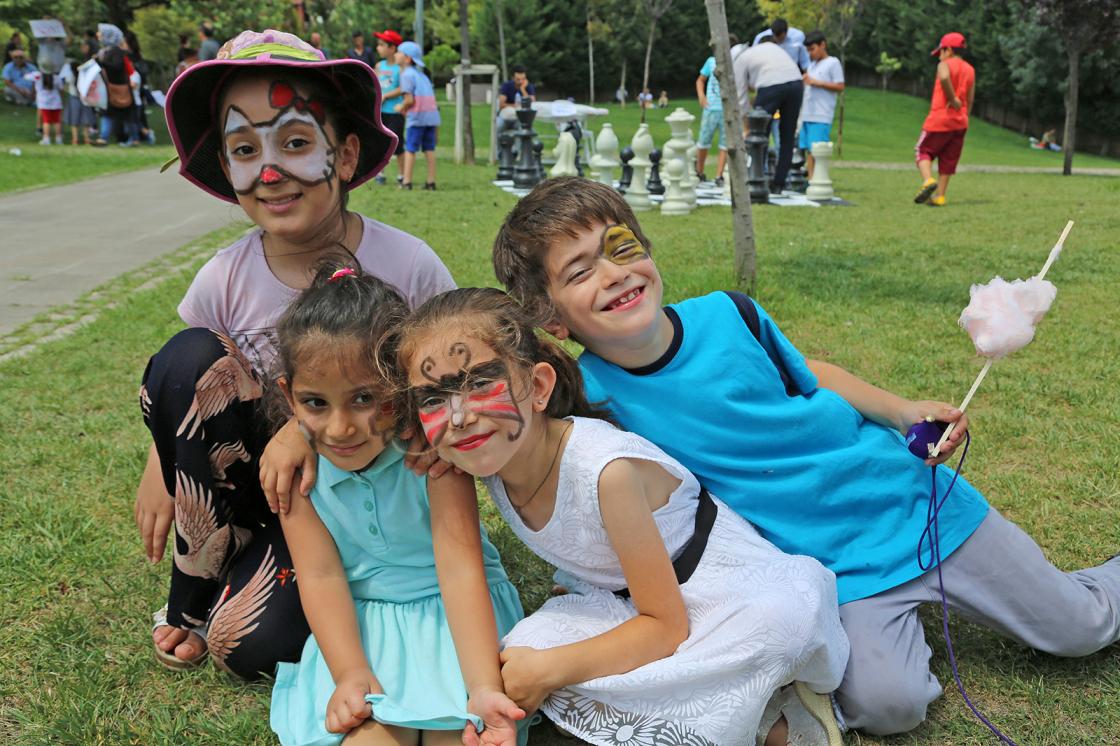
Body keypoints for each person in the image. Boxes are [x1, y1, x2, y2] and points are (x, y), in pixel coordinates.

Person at [492, 176, 1120, 738]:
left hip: (913, 506)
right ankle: (906, 624)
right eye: (579, 271)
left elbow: (808, 376)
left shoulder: (731, 314)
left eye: (621, 247)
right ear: (551, 315)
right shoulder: (591, 397)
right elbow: (566, 467)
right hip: (827, 567)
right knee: (888, 706)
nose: (613, 274)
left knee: (1081, 629)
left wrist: (899, 409)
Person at [135, 29, 456, 679]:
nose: (272, 171)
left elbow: (447, 385)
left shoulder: (409, 265)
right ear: (227, 170)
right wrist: (161, 466)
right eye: (246, 149)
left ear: (345, 154)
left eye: (297, 142)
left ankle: (339, 581)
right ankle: (195, 593)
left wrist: (305, 435)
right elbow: (184, 388)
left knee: (253, 646)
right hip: (270, 499)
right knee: (185, 352)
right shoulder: (224, 277)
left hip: (366, 498)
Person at [397, 286, 848, 746]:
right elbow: (459, 572)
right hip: (620, 598)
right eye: (433, 399)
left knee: (767, 629)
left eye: (479, 384)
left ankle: (777, 720)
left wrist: (555, 669)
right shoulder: (479, 451)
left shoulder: (604, 472)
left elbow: (666, 626)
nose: (457, 416)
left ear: (536, 387)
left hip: (718, 595)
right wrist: (486, 691)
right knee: (520, 656)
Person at [268, 264, 526, 746]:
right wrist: (349, 673)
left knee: (460, 733)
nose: (341, 427)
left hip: (458, 623)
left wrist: (482, 684)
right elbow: (321, 578)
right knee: (368, 737)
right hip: (360, 631)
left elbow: (460, 568)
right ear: (289, 396)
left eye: (365, 398)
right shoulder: (295, 475)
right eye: (316, 402)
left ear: (401, 389)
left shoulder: (429, 457)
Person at [733, 35, 803, 193]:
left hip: (771, 86)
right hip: (797, 84)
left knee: (759, 133)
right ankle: (779, 183)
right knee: (787, 136)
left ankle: (756, 176)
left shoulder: (741, 59)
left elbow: (740, 97)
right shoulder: (776, 51)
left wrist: (747, 127)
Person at [913, 32, 975, 207]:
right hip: (960, 122)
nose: (939, 56)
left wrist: (952, 98)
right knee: (948, 159)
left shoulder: (944, 64)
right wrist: (965, 116)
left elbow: (945, 76)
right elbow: (970, 99)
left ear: (948, 50)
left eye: (941, 51)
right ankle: (940, 196)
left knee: (923, 150)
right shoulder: (970, 69)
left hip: (940, 118)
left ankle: (928, 181)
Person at [799, 30, 844, 179]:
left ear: (822, 45)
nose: (810, 53)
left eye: (812, 49)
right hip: (807, 113)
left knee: (817, 149)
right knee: (808, 150)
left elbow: (840, 86)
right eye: (808, 50)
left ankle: (819, 179)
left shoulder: (833, 63)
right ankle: (811, 179)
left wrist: (817, 83)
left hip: (821, 114)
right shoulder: (812, 65)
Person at [395, 40, 440, 191]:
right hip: (431, 116)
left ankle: (406, 182)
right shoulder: (422, 75)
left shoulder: (407, 75)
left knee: (410, 149)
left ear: (407, 58)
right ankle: (431, 182)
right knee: (429, 149)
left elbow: (409, 100)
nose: (396, 54)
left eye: (399, 52)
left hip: (417, 118)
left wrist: (400, 107)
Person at [695, 36, 736, 186]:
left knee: (725, 144)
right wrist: (701, 96)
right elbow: (700, 79)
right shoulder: (711, 61)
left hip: (727, 109)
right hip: (711, 107)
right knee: (703, 141)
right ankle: (699, 171)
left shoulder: (734, 63)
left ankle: (719, 175)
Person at [92, 24, 139, 147]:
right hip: (110, 88)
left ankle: (134, 139)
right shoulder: (104, 51)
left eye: (100, 33)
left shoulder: (116, 51)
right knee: (107, 113)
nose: (98, 35)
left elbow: (117, 67)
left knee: (127, 116)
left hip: (120, 88)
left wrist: (102, 63)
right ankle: (103, 137)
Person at [373, 29, 405, 185]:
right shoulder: (379, 65)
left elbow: (403, 88)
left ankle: (402, 175)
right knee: (381, 143)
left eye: (381, 45)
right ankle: (380, 174)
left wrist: (387, 95)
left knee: (398, 145)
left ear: (392, 48)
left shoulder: (400, 68)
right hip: (381, 112)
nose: (378, 48)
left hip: (395, 112)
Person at [60, 46, 96, 145]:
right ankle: (87, 138)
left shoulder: (69, 71)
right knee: (86, 119)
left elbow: (65, 82)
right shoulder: (83, 71)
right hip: (84, 98)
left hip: (74, 97)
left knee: (74, 120)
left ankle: (75, 139)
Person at [30, 67, 63, 144]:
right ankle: (58, 139)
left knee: (46, 121)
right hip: (56, 102)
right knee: (57, 120)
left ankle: (46, 138)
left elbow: (27, 76)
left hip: (43, 102)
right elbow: (61, 89)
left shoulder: (38, 77)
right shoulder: (57, 78)